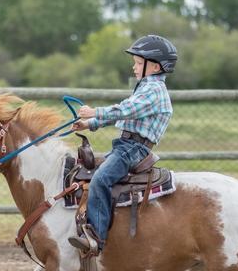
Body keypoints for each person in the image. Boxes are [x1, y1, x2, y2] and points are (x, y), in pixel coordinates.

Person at [68, 34, 177, 255]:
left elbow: (126, 110)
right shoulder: (146, 87)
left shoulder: (154, 91)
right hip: (125, 146)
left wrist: (95, 111)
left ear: (154, 67)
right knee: (89, 174)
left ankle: (95, 239)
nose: (134, 67)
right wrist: (90, 124)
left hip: (134, 149)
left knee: (100, 179)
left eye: (138, 63)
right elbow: (124, 116)